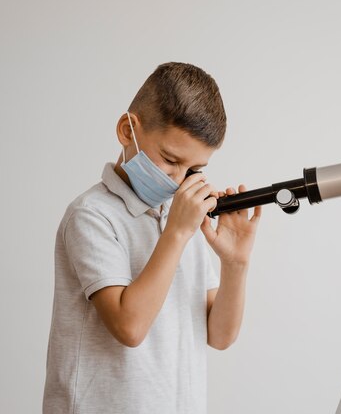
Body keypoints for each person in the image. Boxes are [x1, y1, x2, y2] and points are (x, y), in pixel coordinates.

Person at [43, 62, 261, 413]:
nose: (179, 180)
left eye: (193, 170)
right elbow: (130, 327)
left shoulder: (180, 218)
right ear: (128, 131)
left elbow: (219, 336)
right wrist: (176, 232)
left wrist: (235, 263)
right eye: (170, 159)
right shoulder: (92, 215)